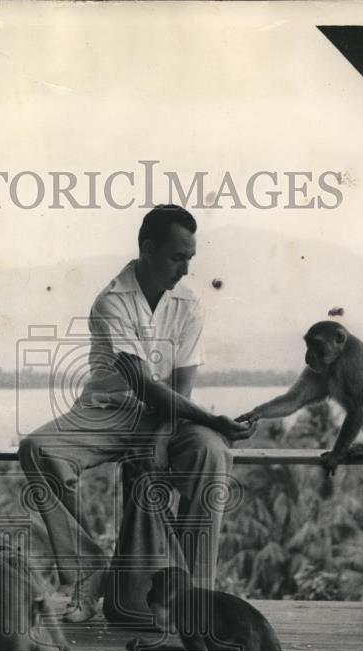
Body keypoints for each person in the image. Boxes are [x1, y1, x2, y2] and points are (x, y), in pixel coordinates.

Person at [18, 205, 252, 623]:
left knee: (212, 453)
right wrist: (215, 420)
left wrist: (162, 435)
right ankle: (88, 573)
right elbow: (143, 385)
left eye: (190, 259)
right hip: (108, 412)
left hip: (167, 414)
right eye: (177, 257)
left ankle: (196, 596)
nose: (184, 268)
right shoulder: (112, 302)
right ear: (147, 248)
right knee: (38, 449)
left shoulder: (189, 303)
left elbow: (180, 386)